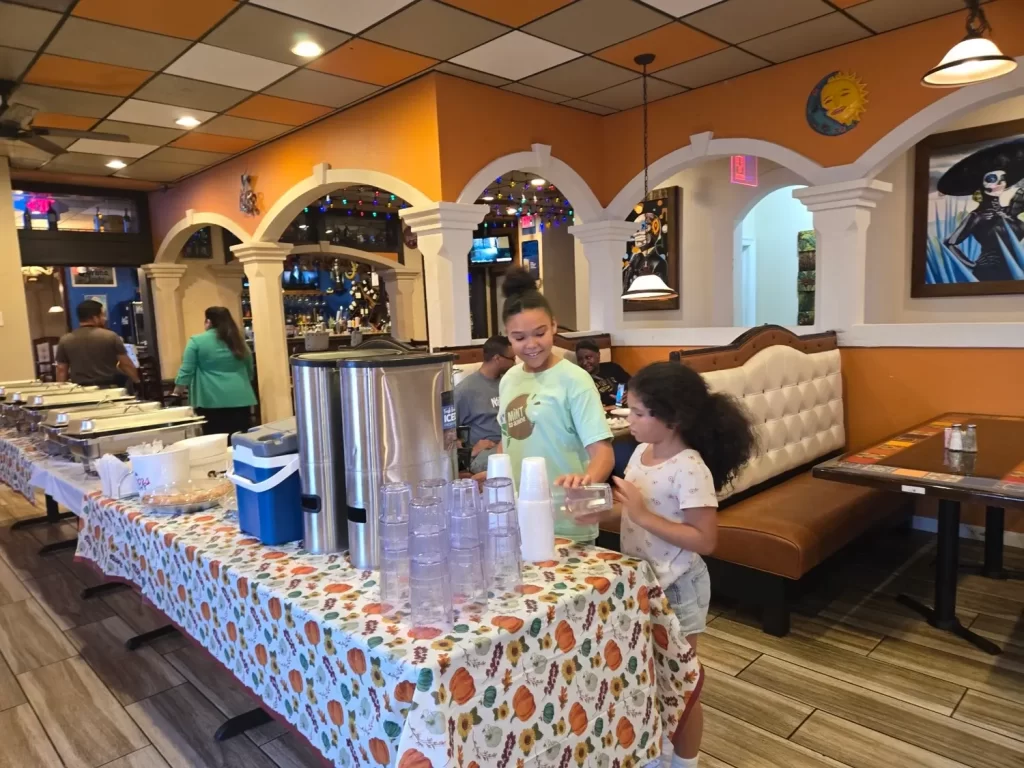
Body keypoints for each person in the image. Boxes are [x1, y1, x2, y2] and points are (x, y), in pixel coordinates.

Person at [579, 361, 755, 768]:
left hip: (678, 586)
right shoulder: (642, 453)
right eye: (631, 409)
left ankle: (685, 762)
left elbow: (705, 539)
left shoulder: (690, 468)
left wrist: (640, 515)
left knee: (682, 683)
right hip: (643, 583)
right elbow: (632, 513)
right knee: (648, 675)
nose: (630, 419)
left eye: (639, 413)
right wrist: (597, 515)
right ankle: (656, 753)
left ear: (672, 419)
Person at [497, 268, 614, 543]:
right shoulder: (509, 379)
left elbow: (603, 454)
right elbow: (509, 439)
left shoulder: (575, 379)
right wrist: (493, 475)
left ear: (554, 327)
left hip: (566, 521)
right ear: (507, 336)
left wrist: (583, 483)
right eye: (519, 337)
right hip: (517, 517)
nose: (532, 345)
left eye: (540, 333)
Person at [173, 307, 256, 437]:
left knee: (217, 442)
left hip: (210, 400)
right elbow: (249, 369)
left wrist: (177, 392)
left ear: (209, 321)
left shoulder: (196, 341)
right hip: (241, 398)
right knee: (240, 443)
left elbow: (186, 370)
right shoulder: (238, 342)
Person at [455, 335, 515, 474]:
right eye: (512, 359)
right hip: (486, 454)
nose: (515, 363)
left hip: (509, 445)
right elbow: (446, 433)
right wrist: (471, 451)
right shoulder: (465, 391)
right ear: (497, 358)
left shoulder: (507, 382)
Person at [56, 299, 140, 387]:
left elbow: (61, 369)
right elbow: (125, 364)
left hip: (80, 390)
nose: (105, 319)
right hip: (108, 388)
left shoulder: (65, 339)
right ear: (95, 318)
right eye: (103, 315)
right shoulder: (110, 336)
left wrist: (60, 389)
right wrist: (137, 382)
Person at [576, 338, 631, 407]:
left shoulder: (612, 367)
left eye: (588, 357)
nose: (584, 363)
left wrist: (629, 394)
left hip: (626, 407)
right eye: (580, 359)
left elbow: (631, 383)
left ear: (598, 355)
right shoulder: (580, 379)